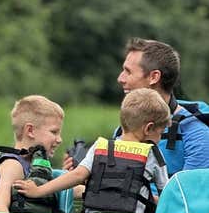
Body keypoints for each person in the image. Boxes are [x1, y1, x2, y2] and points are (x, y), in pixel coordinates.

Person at [65, 38, 209, 175]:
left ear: (154, 77)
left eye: (128, 71)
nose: (120, 79)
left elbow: (189, 196)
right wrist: (83, 173)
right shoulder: (125, 127)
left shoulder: (197, 133)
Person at [15, 88, 170, 213]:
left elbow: (76, 175)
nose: (160, 138)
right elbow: (168, 196)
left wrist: (38, 190)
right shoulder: (152, 154)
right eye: (161, 132)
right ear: (148, 128)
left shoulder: (100, 146)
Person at [0, 96, 64, 213]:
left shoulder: (36, 165)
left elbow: (72, 190)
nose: (59, 139)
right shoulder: (13, 165)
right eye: (54, 132)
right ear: (30, 131)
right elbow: (0, 208)